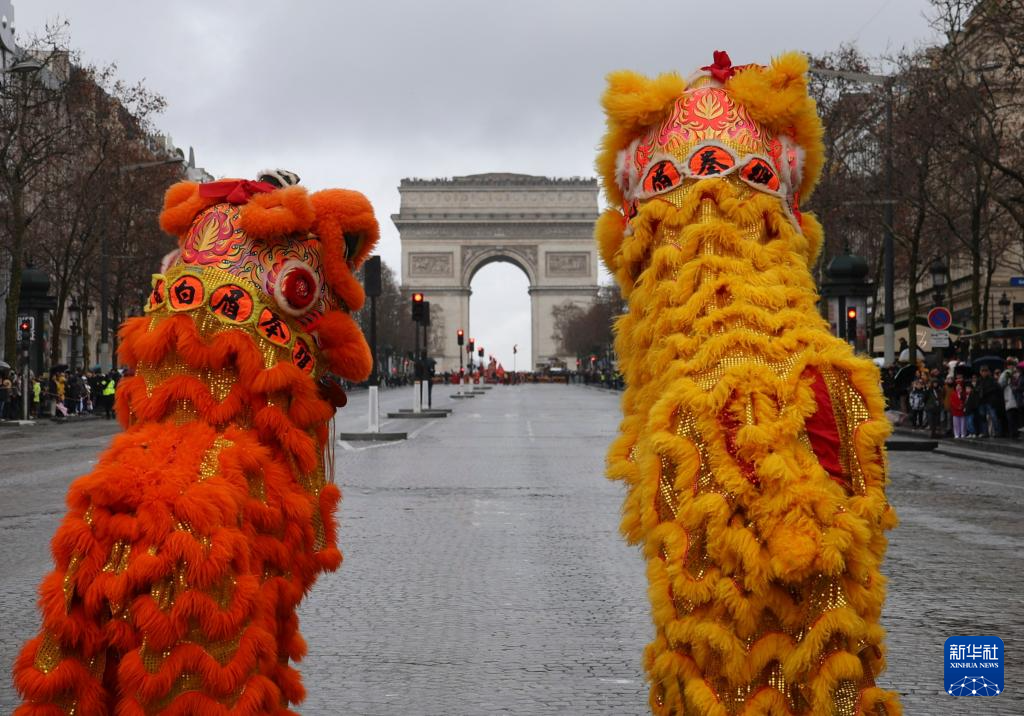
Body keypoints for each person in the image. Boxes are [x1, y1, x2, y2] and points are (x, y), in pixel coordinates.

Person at [976, 365, 1002, 437]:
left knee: (993, 416)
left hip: (990, 401)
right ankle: (985, 433)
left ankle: (997, 432)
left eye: (985, 371)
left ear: (987, 372)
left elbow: (996, 388)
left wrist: (985, 390)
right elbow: (976, 389)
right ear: (980, 372)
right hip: (981, 401)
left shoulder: (991, 379)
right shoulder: (979, 380)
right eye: (982, 371)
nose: (984, 373)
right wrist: (979, 390)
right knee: (983, 417)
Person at [1001, 358, 1021, 440]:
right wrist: (1007, 378)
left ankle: (1016, 432)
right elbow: (1001, 384)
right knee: (1010, 416)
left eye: (1012, 365)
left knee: (1016, 416)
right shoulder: (1005, 374)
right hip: (1008, 397)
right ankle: (1012, 433)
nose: (1011, 366)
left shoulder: (1017, 373)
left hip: (1017, 398)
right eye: (1009, 365)